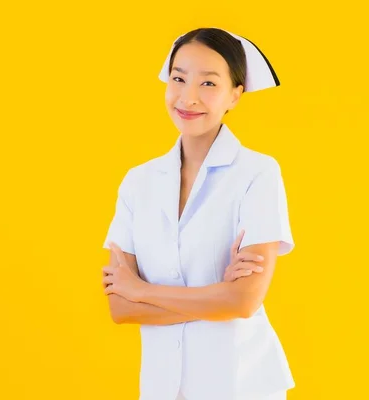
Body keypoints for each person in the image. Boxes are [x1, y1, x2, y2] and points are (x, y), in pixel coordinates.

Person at [101, 27, 295, 400]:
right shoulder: (138, 182)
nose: (188, 97)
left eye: (208, 84)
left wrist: (143, 290)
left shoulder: (257, 173)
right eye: (179, 79)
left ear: (235, 95)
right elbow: (120, 307)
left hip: (240, 382)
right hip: (162, 385)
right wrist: (216, 297)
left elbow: (243, 301)